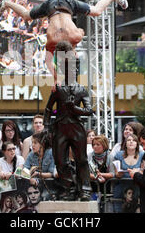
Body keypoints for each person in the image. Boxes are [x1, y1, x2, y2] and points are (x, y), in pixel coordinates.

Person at [0, 0, 128, 83]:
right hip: (53, 7)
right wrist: (55, 79)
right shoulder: (54, 42)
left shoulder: (75, 38)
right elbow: (48, 61)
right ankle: (7, 3)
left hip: (66, 5)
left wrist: (56, 80)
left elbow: (81, 31)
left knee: (96, 11)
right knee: (26, 15)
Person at [43, 40, 94, 201]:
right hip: (60, 129)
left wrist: (74, 108)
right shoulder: (57, 89)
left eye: (74, 68)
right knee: (60, 161)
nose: (72, 70)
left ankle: (85, 189)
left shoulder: (81, 89)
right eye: (69, 68)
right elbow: (48, 109)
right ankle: (69, 187)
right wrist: (46, 127)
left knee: (82, 159)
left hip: (76, 128)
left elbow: (89, 110)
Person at [112, 134, 144, 212]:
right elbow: (116, 173)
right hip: (121, 186)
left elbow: (144, 171)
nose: (131, 142)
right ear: (125, 143)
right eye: (129, 140)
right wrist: (119, 173)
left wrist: (138, 171)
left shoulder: (142, 155)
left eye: (133, 140)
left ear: (137, 144)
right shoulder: (119, 155)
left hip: (137, 187)